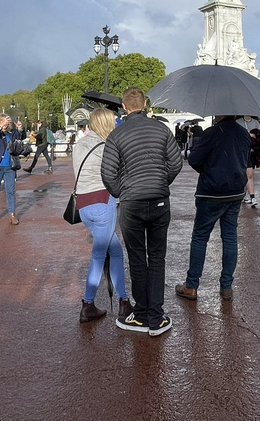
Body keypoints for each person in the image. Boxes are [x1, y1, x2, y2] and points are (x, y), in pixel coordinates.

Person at [101, 87, 182, 337]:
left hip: (131, 202)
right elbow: (176, 163)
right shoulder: (162, 129)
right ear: (145, 104)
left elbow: (108, 173)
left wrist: (121, 192)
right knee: (157, 257)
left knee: (137, 257)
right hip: (158, 200)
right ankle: (157, 317)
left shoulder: (117, 135)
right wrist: (160, 183)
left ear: (124, 107)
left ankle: (143, 312)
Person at [175, 114, 250, 303]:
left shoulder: (212, 133)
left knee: (200, 237)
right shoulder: (243, 133)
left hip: (211, 192)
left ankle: (191, 285)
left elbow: (194, 159)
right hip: (235, 191)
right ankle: (226, 286)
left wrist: (209, 171)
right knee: (230, 238)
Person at [73, 107, 131, 323]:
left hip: (83, 204)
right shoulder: (106, 146)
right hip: (102, 201)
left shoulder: (80, 143)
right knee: (99, 255)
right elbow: (115, 174)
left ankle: (124, 300)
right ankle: (88, 303)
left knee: (114, 250)